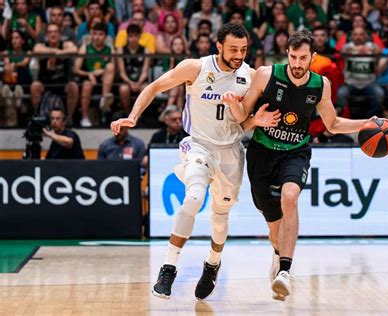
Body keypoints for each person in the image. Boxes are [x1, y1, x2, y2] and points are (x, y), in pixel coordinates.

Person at [222, 30, 388, 301]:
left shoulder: (320, 85)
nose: (298, 63)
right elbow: (242, 120)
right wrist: (253, 118)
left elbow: (333, 124)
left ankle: (285, 272)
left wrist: (366, 123)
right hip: (262, 154)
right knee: (274, 228)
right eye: (293, 57)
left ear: (313, 57)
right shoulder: (266, 74)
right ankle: (278, 256)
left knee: (291, 197)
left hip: (295, 152)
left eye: (303, 58)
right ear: (286, 54)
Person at [110, 23, 277, 300]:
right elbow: (155, 86)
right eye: (233, 49)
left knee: (220, 219)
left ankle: (212, 263)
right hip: (198, 143)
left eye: (244, 49)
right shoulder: (196, 67)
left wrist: (255, 121)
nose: (239, 55)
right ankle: (168, 267)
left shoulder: (250, 76)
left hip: (231, 151)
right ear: (219, 46)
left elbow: (243, 121)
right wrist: (133, 116)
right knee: (193, 197)